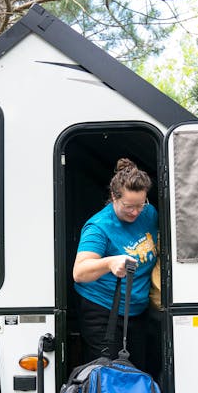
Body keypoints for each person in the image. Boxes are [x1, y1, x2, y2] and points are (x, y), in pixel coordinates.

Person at [73, 158, 157, 369]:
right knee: (109, 375)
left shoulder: (150, 214)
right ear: (113, 197)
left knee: (138, 371)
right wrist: (110, 262)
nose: (136, 212)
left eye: (141, 205)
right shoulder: (99, 227)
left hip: (138, 310)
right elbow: (80, 272)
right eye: (129, 206)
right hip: (102, 311)